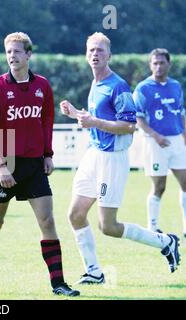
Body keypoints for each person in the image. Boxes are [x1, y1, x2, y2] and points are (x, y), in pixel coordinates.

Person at [59, 33, 181, 284]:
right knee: (75, 214)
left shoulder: (118, 86)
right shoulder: (95, 84)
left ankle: (165, 242)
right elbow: (96, 120)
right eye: (91, 50)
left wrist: (94, 121)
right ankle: (94, 272)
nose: (95, 54)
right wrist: (76, 114)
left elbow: (128, 126)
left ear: (109, 55)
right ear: (86, 54)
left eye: (100, 51)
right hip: (94, 154)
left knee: (109, 227)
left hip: (112, 160)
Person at [0, 32, 79, 297]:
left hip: (33, 165)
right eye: (8, 51)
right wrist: (1, 167)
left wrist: (48, 154)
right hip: (4, 164)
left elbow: (46, 121)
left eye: (17, 51)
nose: (12, 56)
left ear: (29, 55)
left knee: (47, 220)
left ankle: (59, 284)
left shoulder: (42, 85)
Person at [133, 48, 186, 236]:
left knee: (185, 183)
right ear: (150, 65)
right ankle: (152, 226)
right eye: (154, 63)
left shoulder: (176, 86)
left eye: (161, 62)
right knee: (159, 186)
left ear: (169, 64)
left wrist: (185, 136)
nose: (158, 66)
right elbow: (138, 118)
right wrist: (156, 136)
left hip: (177, 141)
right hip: (155, 143)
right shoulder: (143, 88)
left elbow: (181, 113)